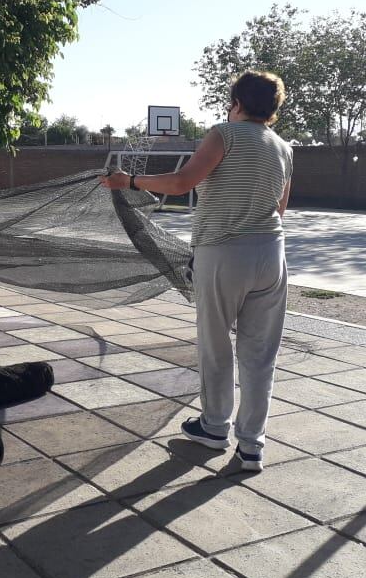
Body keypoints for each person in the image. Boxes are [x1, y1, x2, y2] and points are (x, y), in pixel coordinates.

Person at [101, 70, 292, 472]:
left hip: (223, 253)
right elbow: (280, 209)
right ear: (273, 109)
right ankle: (252, 447)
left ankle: (215, 426)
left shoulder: (224, 134)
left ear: (237, 102)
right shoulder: (283, 148)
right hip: (272, 255)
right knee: (260, 356)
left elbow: (183, 181)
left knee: (216, 344)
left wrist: (129, 180)